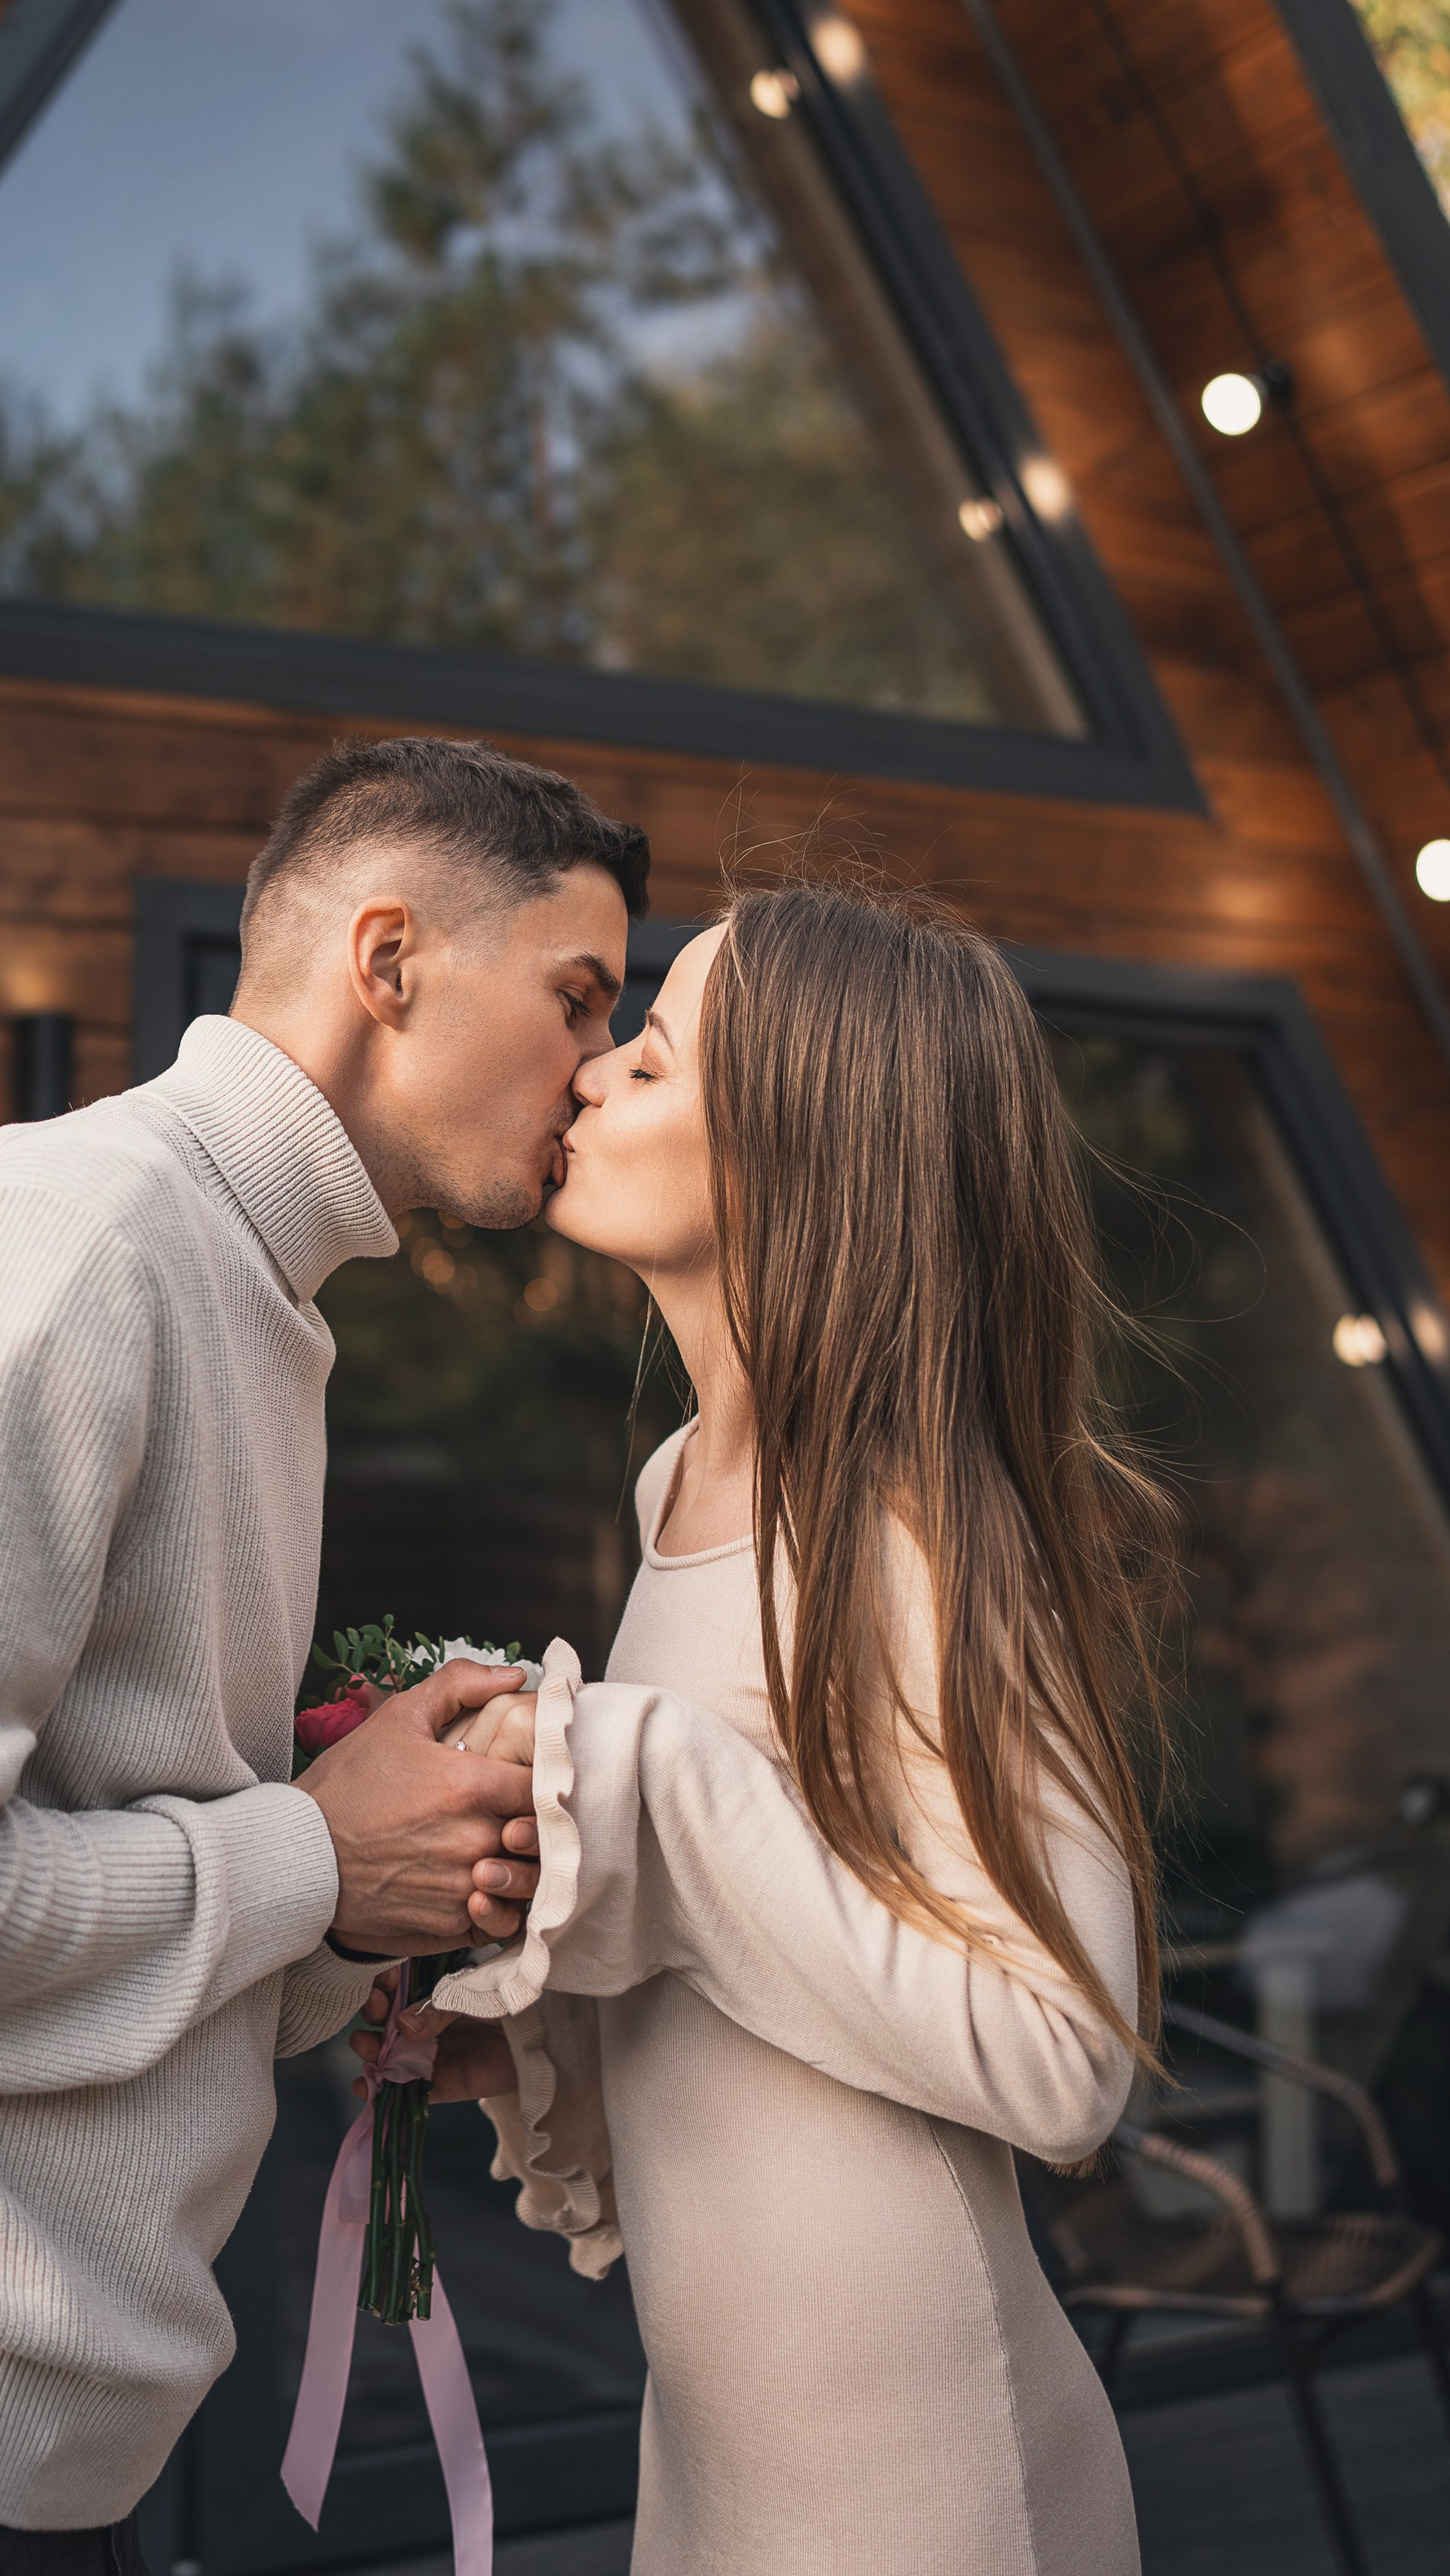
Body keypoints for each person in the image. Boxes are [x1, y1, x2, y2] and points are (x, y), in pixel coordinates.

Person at [0, 734, 651, 2574]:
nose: (596, 1066)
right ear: (385, 960)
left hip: (12, 2456)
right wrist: (311, 1851)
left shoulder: (248, 1289)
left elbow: (137, 1858)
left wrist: (356, 1890)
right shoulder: (71, 1246)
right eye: (574, 997)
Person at [396, 879, 1166, 2576]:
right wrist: (537, 2049)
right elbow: (767, 1975)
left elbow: (1064, 2062)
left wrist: (645, 1779)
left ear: (797, 1160)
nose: (590, 1076)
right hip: (717, 2454)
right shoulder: (676, 1483)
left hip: (924, 2485)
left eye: (652, 1062)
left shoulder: (911, 1521)